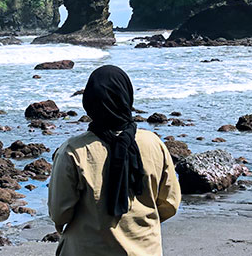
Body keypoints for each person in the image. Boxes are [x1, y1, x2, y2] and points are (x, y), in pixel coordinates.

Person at [48, 65, 181, 256]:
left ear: (89, 102)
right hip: (144, 250)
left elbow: (60, 212)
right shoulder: (154, 144)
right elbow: (169, 203)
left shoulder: (73, 151)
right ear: (127, 97)